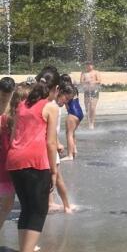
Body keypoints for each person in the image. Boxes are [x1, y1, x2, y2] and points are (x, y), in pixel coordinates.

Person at [7, 66, 61, 252]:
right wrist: (54, 171)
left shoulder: (22, 104)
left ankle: (25, 248)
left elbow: (14, 133)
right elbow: (51, 143)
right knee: (38, 211)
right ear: (56, 89)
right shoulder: (51, 107)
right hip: (35, 162)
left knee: (27, 208)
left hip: (14, 160)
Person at [49, 80, 75, 214]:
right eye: (66, 99)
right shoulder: (52, 107)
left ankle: (51, 202)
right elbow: (51, 128)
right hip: (50, 146)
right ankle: (66, 205)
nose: (65, 103)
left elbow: (53, 129)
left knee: (52, 176)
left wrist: (57, 140)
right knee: (57, 177)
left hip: (51, 144)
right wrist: (57, 143)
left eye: (68, 101)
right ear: (59, 91)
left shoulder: (54, 106)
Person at [0, 77, 16, 229]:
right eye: (2, 94)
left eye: (8, 94)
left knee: (8, 203)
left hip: (10, 159)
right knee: (7, 202)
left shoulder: (14, 108)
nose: (5, 97)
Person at [60, 78, 84, 161]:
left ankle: (69, 155)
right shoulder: (74, 89)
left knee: (69, 134)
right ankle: (74, 149)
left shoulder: (65, 91)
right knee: (72, 132)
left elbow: (63, 104)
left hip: (73, 113)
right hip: (79, 112)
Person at [80, 62, 101, 129]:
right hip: (87, 91)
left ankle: (92, 123)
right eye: (87, 65)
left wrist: (92, 82)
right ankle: (89, 123)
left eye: (90, 65)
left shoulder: (96, 72)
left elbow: (99, 80)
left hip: (94, 91)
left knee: (92, 107)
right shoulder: (83, 73)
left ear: (92, 65)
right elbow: (81, 81)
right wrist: (86, 82)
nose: (89, 66)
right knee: (87, 108)